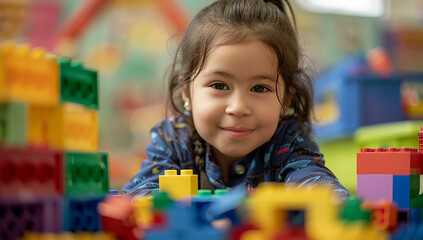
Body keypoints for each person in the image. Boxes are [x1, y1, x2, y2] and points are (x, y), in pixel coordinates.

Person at [122, 0, 350, 200]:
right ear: (187, 92)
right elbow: (140, 191)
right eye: (219, 86)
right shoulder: (174, 140)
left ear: (286, 98)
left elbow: (311, 178)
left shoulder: (288, 141)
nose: (239, 107)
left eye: (260, 88)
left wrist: (330, 200)